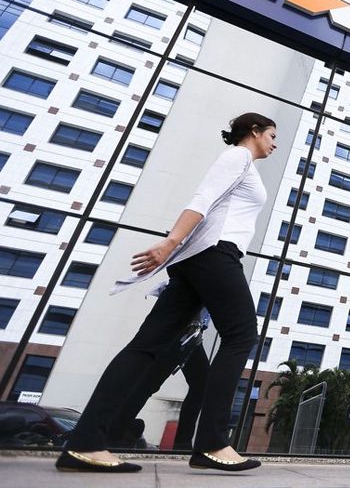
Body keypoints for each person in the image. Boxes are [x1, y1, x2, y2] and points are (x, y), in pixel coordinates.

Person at [55, 113, 277, 473]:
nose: (274, 143)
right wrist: (170, 242)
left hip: (198, 260)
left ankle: (85, 444)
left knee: (146, 346)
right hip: (215, 254)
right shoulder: (238, 157)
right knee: (241, 335)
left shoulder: (243, 163)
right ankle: (213, 443)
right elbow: (202, 198)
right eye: (271, 135)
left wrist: (177, 249)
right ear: (254, 132)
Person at [106, 311, 210, 451]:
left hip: (193, 335)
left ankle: (182, 443)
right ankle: (115, 435)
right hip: (181, 330)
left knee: (202, 383)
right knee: (148, 384)